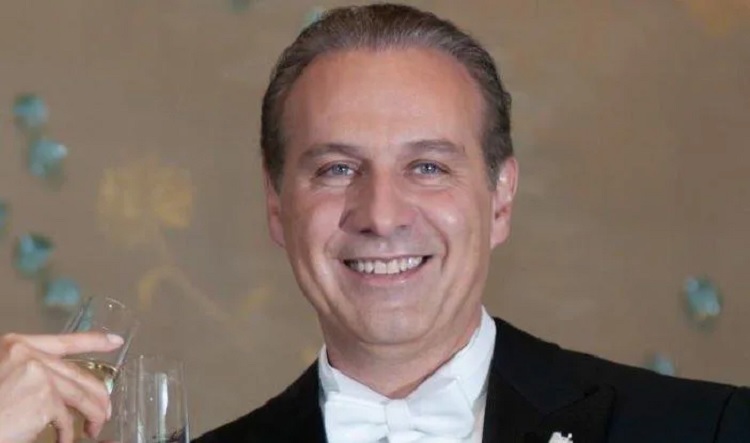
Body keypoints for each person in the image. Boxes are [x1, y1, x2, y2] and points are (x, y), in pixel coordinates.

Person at [0, 4, 747, 443]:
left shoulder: (709, 429)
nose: (382, 215)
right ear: (276, 206)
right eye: (335, 169)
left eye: (427, 166)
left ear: (500, 198)